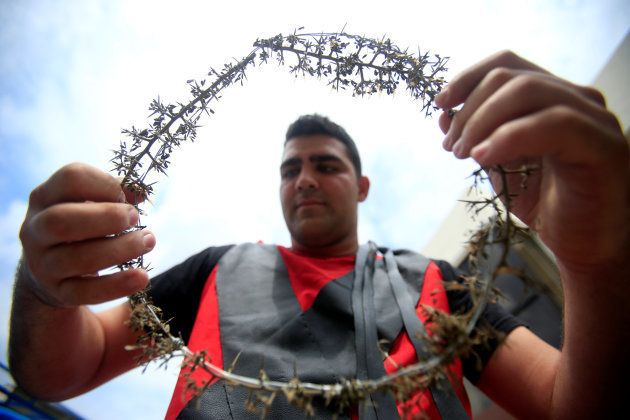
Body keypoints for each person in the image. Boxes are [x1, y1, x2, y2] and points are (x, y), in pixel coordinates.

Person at [9, 50, 629, 419]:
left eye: (326, 165)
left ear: (361, 186)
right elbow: (63, 370)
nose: (305, 180)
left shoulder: (434, 284)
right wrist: (43, 288)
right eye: (291, 169)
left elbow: (568, 405)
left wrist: (596, 261)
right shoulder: (216, 271)